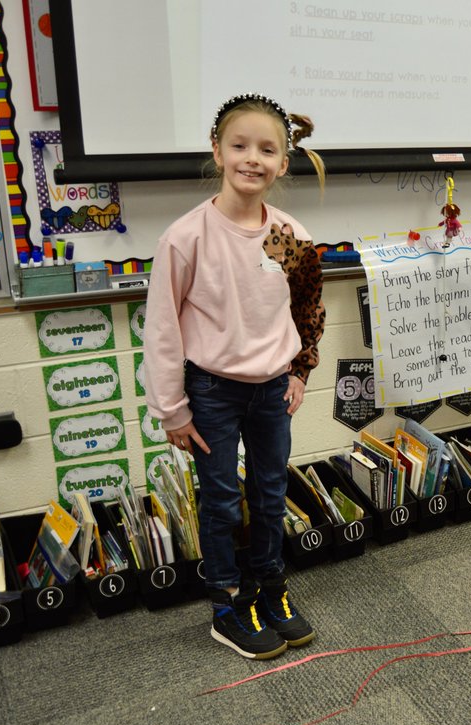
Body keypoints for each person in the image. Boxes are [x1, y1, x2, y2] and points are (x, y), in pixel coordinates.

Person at [144, 93, 327, 660]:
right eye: (240, 145)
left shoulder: (290, 233)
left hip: (273, 390)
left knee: (270, 493)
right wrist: (172, 409)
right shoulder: (187, 236)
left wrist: (300, 369)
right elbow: (162, 328)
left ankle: (268, 586)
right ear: (217, 151)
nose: (253, 158)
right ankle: (228, 601)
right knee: (222, 499)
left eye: (267, 149)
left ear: (283, 162)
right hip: (212, 394)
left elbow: (308, 308)